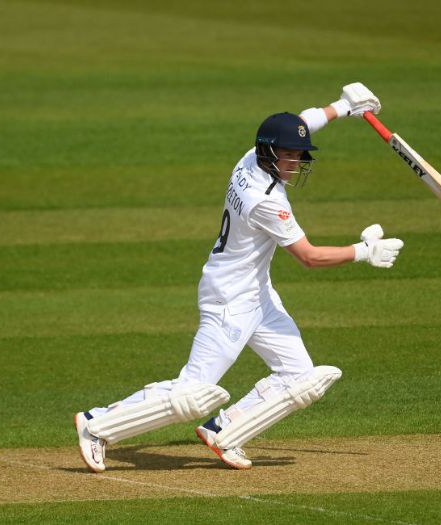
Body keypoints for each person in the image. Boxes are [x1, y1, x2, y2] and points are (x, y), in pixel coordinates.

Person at [74, 82, 404, 471]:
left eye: (299, 154)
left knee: (299, 377)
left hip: (257, 293)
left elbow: (298, 123)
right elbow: (310, 257)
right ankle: (98, 423)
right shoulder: (266, 201)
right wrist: (364, 252)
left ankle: (224, 426)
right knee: (192, 392)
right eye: (289, 155)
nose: (295, 162)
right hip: (229, 299)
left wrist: (341, 107)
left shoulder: (250, 157)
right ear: (269, 153)